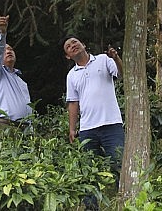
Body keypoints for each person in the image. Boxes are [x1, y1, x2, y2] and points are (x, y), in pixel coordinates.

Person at [63, 35, 124, 209]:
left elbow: (120, 74)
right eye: (68, 46)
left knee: (118, 164)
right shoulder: (71, 75)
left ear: (83, 44)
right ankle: (91, 207)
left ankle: (126, 202)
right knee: (88, 171)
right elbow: (73, 103)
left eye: (74, 42)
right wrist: (72, 128)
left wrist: (116, 58)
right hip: (87, 129)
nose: (72, 45)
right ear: (68, 56)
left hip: (112, 124)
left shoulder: (104, 59)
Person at [0, 14, 32, 128]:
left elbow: (27, 107)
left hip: (23, 129)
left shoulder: (21, 82)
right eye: (5, 50)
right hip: (2, 126)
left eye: (10, 49)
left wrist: (30, 128)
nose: (8, 51)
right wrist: (2, 33)